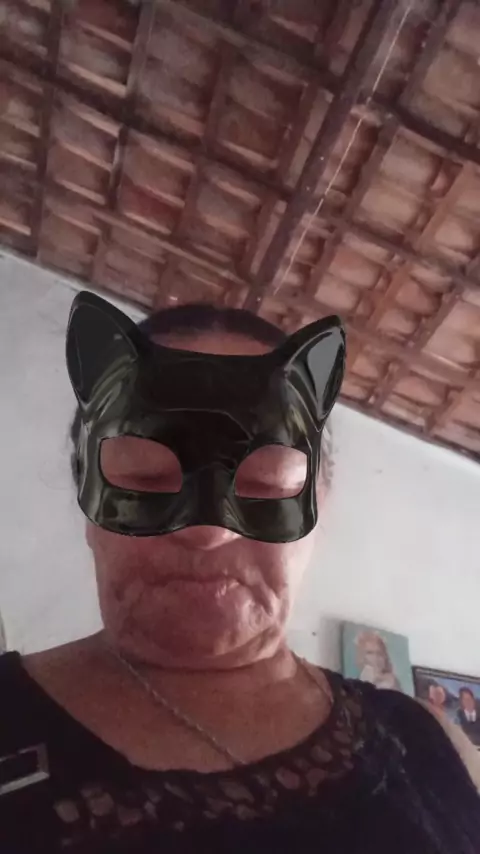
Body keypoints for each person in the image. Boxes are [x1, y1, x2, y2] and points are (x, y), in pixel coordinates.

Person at [0, 297, 480, 854]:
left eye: (267, 484)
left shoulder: (432, 744)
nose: (208, 531)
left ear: (319, 504)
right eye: (147, 478)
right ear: (87, 500)